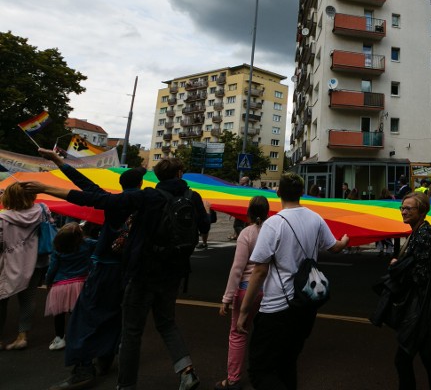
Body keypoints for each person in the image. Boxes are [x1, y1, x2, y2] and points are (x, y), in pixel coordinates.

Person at [25, 158, 210, 390]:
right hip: (173, 272)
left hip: (138, 273)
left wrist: (46, 187)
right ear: (180, 173)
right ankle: (186, 372)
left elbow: (93, 196)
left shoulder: (146, 198)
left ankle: (123, 384)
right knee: (166, 323)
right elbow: (204, 227)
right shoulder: (192, 198)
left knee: (128, 330)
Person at [37, 147, 141, 390]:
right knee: (115, 315)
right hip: (128, 272)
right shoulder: (147, 205)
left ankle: (82, 367)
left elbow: (84, 186)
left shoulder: (114, 203)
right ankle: (105, 358)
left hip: (105, 269)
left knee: (84, 318)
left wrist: (57, 163)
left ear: (121, 184)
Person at [236, 172, 349, 389]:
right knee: (288, 363)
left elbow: (259, 271)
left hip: (278, 307)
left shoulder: (273, 224)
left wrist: (244, 311)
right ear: (302, 193)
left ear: (278, 193)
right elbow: (333, 247)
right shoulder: (315, 218)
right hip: (305, 305)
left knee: (260, 370)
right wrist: (344, 241)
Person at [389, 192, 431, 390]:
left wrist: (398, 265)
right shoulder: (422, 231)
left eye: (408, 208)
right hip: (427, 304)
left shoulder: (423, 235)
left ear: (421, 211)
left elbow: (421, 275)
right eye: (402, 208)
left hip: (422, 306)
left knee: (403, 359)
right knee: (429, 358)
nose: (403, 212)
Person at [216, 195, 270, 390]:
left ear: (248, 212)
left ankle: (233, 379)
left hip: (247, 290)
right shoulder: (272, 232)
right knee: (264, 333)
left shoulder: (246, 234)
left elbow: (237, 269)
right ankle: (264, 375)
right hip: (269, 290)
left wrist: (227, 298)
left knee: (238, 333)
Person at [0, 182, 52, 351]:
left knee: (2, 299)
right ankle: (22, 336)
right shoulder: (42, 210)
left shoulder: (3, 218)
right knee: (28, 299)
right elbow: (50, 227)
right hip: (35, 261)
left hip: (7, 264)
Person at [45, 223, 96, 352]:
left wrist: (48, 282)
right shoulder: (86, 244)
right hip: (80, 283)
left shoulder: (58, 249)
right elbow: (101, 243)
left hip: (60, 285)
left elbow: (52, 269)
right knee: (77, 313)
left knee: (59, 314)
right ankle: (79, 336)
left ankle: (59, 338)